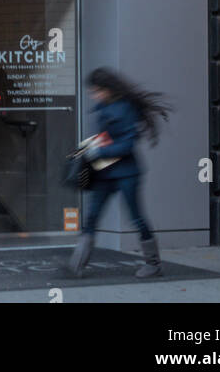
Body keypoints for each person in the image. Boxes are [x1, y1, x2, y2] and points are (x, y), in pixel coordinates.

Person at [69, 66, 171, 279]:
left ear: (107, 89)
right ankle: (77, 263)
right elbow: (104, 136)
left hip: (126, 173)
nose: (93, 95)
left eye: (96, 90)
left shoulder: (125, 108)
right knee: (92, 215)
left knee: (136, 216)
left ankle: (154, 264)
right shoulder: (102, 107)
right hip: (104, 173)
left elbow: (127, 145)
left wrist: (99, 150)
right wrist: (88, 149)